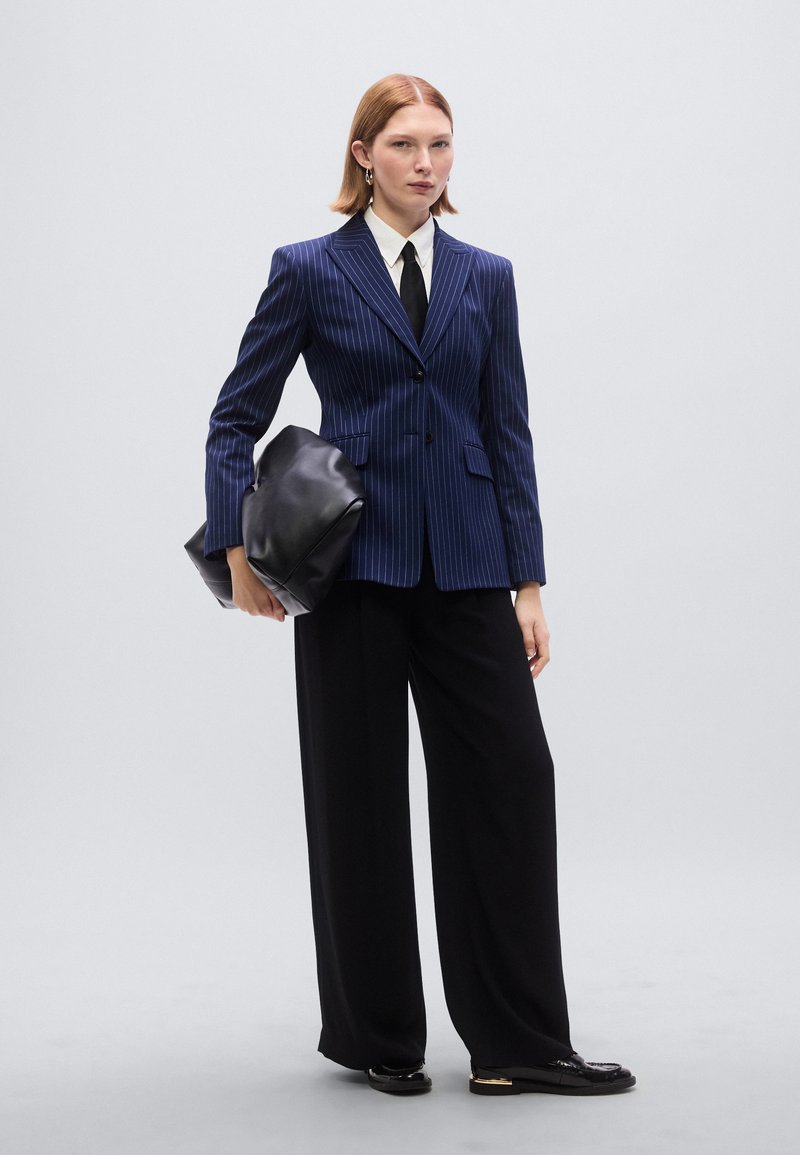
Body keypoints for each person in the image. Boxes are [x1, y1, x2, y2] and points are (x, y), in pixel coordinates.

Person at [202, 74, 635, 1098]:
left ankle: (517, 1043)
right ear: (364, 154)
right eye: (403, 144)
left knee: (510, 781)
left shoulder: (486, 276)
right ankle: (378, 1036)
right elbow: (234, 417)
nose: (425, 163)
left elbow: (506, 430)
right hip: (351, 567)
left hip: (469, 566)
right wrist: (235, 549)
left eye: (439, 144)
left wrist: (527, 581)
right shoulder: (308, 269)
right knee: (355, 796)